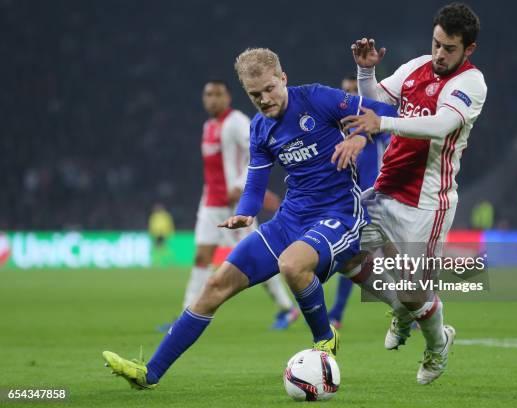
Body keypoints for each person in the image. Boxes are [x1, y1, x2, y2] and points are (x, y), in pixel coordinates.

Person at [103, 48, 396, 389]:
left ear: (283, 78)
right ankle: (149, 373)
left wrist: (361, 135)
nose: (264, 99)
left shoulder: (317, 98)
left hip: (339, 213)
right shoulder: (260, 128)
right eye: (255, 95)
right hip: (290, 220)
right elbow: (255, 183)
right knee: (215, 285)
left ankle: (325, 339)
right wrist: (244, 212)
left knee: (293, 265)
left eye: (270, 89)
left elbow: (386, 111)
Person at [334, 2, 487, 384]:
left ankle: (437, 347)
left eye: (448, 48)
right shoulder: (417, 66)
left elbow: (440, 125)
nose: (438, 54)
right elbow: (375, 100)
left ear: (468, 50)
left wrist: (382, 124)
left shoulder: (471, 82)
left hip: (427, 202)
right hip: (385, 190)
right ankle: (402, 311)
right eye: (436, 43)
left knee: (415, 292)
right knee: (342, 250)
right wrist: (365, 70)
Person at [178, 80, 298, 331]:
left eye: (217, 94)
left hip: (236, 206)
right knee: (202, 256)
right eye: (208, 94)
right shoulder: (209, 126)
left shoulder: (237, 122)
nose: (212, 99)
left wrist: (241, 184)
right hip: (210, 203)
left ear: (227, 98)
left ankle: (287, 309)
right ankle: (187, 313)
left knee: (255, 256)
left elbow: (258, 151)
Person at [327, 75, 390, 329]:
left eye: (354, 91)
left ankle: (418, 306)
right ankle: (337, 313)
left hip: (376, 199)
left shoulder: (375, 127)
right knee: (353, 255)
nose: (349, 96)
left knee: (378, 255)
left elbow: (393, 145)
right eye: (345, 92)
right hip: (350, 200)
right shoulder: (335, 130)